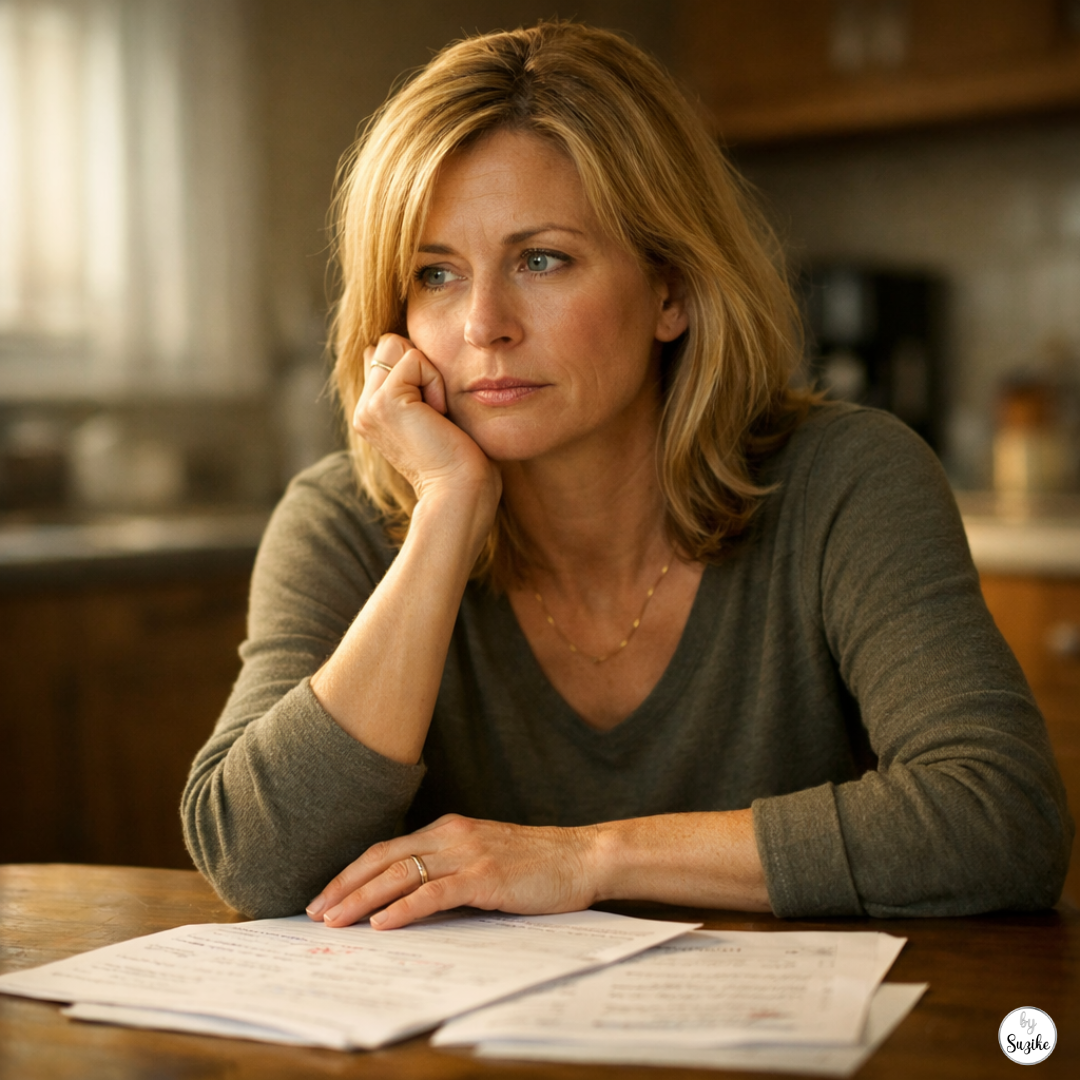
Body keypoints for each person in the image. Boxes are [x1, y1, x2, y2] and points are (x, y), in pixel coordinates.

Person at [182, 21, 1072, 926]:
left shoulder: (848, 480)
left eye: (542, 260)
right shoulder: (340, 518)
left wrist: (591, 857)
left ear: (672, 290)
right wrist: (447, 513)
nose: (483, 323)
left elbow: (1000, 819)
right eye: (436, 275)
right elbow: (256, 864)